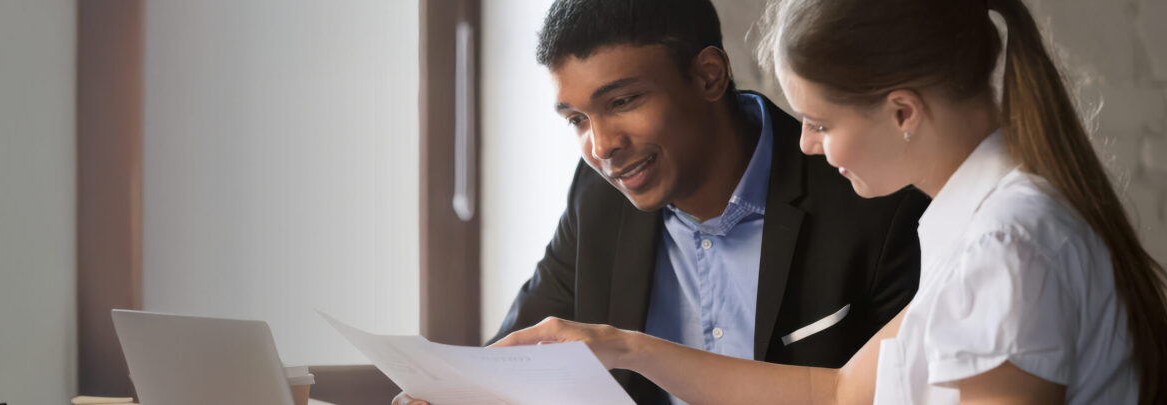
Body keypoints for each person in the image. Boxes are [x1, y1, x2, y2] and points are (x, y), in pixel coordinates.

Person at [489, 0, 1167, 403]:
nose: (806, 148)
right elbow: (838, 391)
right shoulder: (983, 229)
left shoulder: (1006, 248)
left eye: (819, 123)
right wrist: (622, 345)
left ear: (902, 111)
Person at [394, 0, 929, 403]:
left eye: (622, 101)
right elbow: (519, 356)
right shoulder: (597, 200)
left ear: (708, 76)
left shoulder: (874, 197)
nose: (601, 147)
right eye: (578, 120)